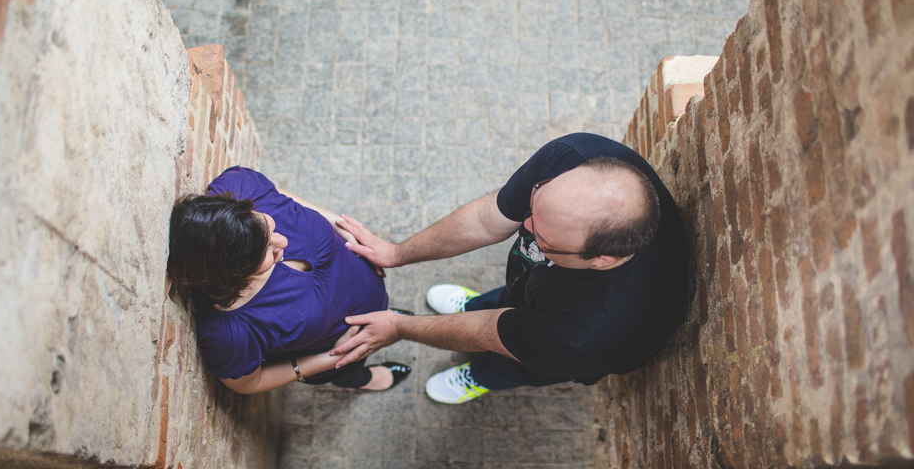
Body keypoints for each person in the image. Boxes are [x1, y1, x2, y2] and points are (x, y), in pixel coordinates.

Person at [328, 132, 691, 403]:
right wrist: (396, 253)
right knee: (512, 296)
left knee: (519, 358)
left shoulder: (583, 336)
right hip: (543, 291)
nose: (525, 227)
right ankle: (477, 304)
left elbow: (486, 331)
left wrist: (399, 327)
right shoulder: (572, 157)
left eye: (543, 238)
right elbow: (486, 220)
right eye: (534, 205)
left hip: (570, 344)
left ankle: (482, 375)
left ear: (600, 259)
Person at [166, 166, 411, 394]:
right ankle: (358, 381)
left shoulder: (238, 187)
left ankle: (387, 313)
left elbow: (279, 194)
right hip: (344, 349)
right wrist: (334, 358)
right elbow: (249, 383)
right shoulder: (231, 332)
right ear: (234, 274)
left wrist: (338, 225)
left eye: (269, 227)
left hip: (369, 288)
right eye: (267, 251)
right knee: (351, 371)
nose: (282, 241)